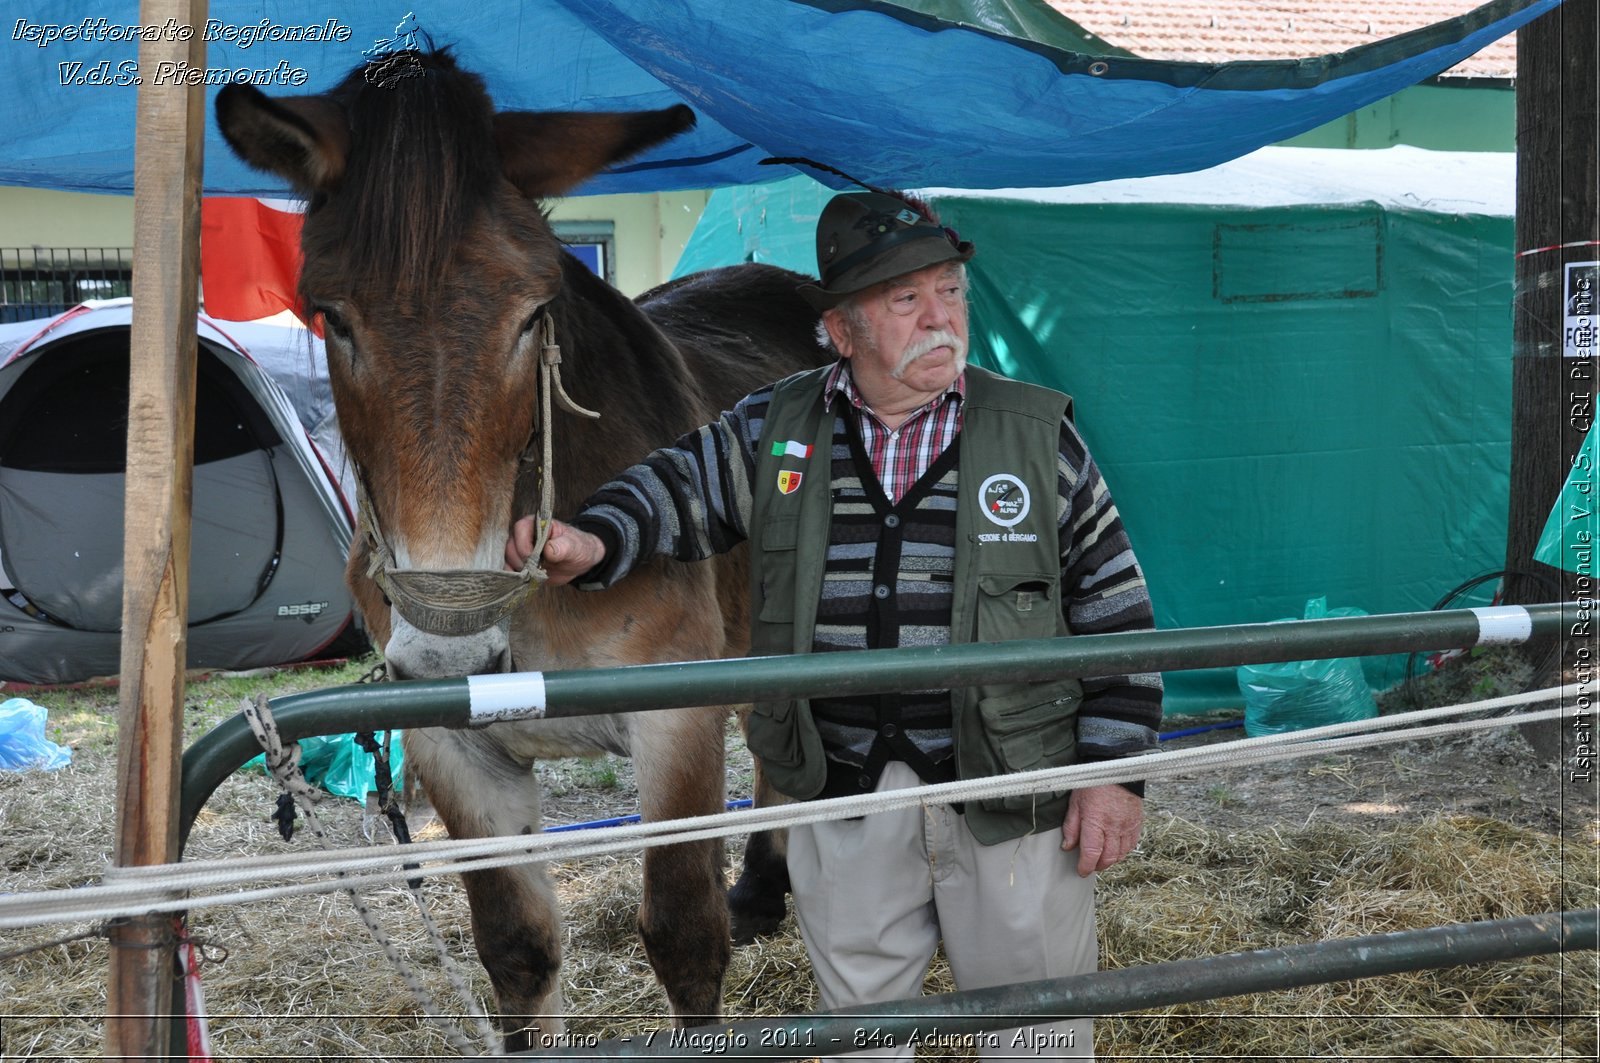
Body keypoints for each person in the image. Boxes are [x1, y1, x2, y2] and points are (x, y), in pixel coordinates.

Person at [507, 190, 1162, 1060]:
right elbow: (674, 489)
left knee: (1034, 1032)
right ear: (841, 331)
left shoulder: (1038, 438)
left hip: (1011, 793)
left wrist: (1113, 774)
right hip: (844, 792)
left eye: (951, 291)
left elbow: (1118, 609)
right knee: (859, 1035)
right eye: (906, 301)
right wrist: (594, 537)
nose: (941, 319)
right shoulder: (776, 429)